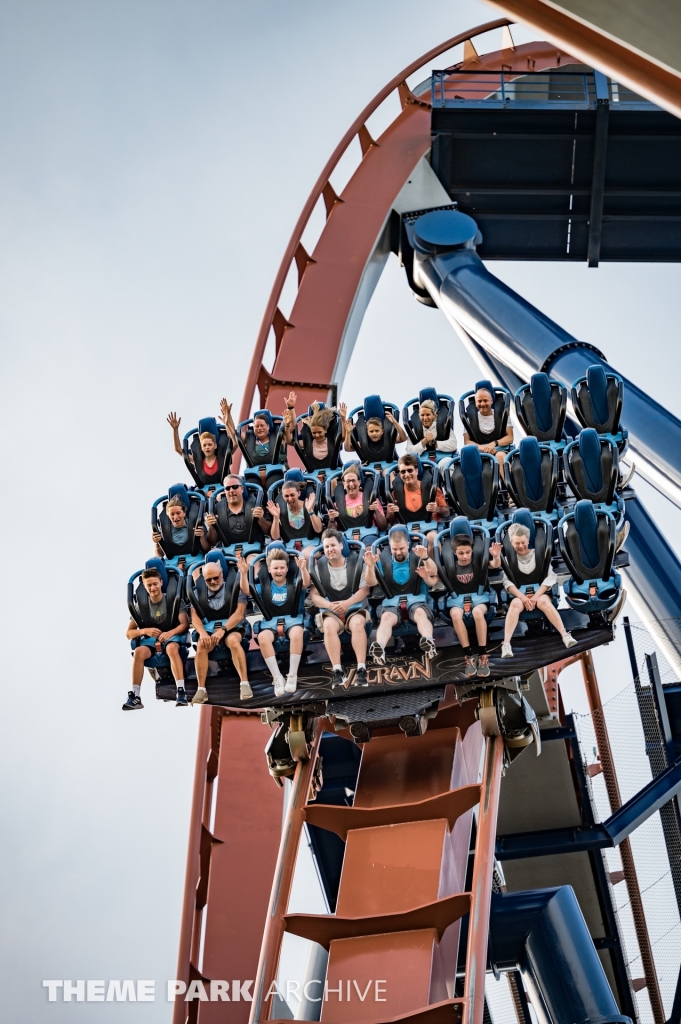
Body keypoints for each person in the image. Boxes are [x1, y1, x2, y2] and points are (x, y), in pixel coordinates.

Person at [363, 527, 439, 665]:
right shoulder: (384, 559)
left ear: (408, 545)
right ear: (390, 547)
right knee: (386, 618)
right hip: (391, 603)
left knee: (420, 613)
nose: (398, 552)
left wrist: (425, 557)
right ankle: (379, 648)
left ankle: (428, 641)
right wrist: (370, 566)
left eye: (402, 548)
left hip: (417, 600)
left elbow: (434, 572)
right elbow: (370, 582)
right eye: (394, 549)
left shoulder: (418, 554)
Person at [501, 522, 577, 657]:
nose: (521, 546)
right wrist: (523, 598)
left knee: (543, 601)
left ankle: (564, 634)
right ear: (511, 543)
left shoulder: (540, 554)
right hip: (520, 595)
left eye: (523, 542)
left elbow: (550, 577)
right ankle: (506, 644)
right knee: (515, 604)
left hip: (540, 593)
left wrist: (535, 597)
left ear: (528, 540)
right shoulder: (508, 559)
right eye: (517, 543)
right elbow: (507, 582)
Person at [240, 547, 308, 696]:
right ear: (269, 569)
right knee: (263, 637)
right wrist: (244, 573)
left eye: (282, 568)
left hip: (293, 619)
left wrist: (303, 569)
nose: (279, 571)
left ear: (287, 568)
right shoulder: (265, 586)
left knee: (297, 633)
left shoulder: (294, 582)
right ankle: (277, 677)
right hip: (270, 621)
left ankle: (292, 674)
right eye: (275, 568)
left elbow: (305, 583)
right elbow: (246, 590)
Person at [308, 529, 371, 689]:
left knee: (357, 623)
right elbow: (314, 596)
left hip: (354, 607)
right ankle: (337, 670)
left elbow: (365, 590)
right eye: (327, 546)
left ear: (341, 545)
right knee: (328, 626)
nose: (330, 549)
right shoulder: (319, 568)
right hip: (332, 610)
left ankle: (361, 668)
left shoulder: (356, 562)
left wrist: (348, 603)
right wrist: (330, 605)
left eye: (333, 545)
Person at [124, 567, 189, 710]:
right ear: (144, 586)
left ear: (161, 583)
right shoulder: (141, 606)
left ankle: (181, 691)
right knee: (138, 652)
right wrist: (145, 631)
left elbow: (184, 624)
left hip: (171, 637)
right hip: (151, 641)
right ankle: (135, 695)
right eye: (149, 585)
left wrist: (170, 633)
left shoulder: (172, 600)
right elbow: (129, 633)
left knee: (171, 648)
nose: (152, 588)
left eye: (155, 584)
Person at [189, 557, 253, 703]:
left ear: (222, 574)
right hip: (209, 628)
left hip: (231, 626)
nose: (213, 582)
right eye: (208, 580)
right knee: (201, 645)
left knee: (233, 640)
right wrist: (202, 633)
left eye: (215, 578)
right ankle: (201, 689)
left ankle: (244, 683)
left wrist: (223, 630)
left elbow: (239, 613)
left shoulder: (234, 587)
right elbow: (194, 617)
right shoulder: (198, 592)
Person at [444, 532, 502, 677]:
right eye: (461, 553)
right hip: (458, 600)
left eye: (468, 552)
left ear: (472, 550)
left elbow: (495, 565)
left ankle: (482, 654)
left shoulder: (478, 562)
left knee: (477, 612)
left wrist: (496, 556)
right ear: (454, 552)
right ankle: (469, 654)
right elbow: (433, 577)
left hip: (479, 598)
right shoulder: (450, 567)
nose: (465, 556)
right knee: (455, 614)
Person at [386, 453, 450, 553]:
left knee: (432, 538)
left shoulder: (431, 489)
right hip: (407, 530)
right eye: (403, 472)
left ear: (416, 470)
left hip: (430, 528)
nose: (407, 475)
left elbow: (447, 512)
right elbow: (390, 521)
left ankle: (431, 563)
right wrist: (392, 513)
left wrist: (437, 509)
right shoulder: (395, 493)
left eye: (410, 470)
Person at [204, 474, 269, 556]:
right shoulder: (217, 510)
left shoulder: (256, 505)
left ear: (242, 489)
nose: (231, 491)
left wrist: (261, 519)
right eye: (227, 488)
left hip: (254, 551)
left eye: (235, 487)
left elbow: (269, 532)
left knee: (252, 559)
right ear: (225, 491)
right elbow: (213, 542)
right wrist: (211, 527)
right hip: (228, 554)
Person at [326, 462, 388, 544]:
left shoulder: (372, 499)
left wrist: (376, 511)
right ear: (344, 483)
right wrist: (332, 519)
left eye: (353, 480)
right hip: (346, 538)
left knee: (369, 546)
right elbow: (332, 533)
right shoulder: (336, 504)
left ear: (359, 482)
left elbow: (383, 526)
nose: (351, 484)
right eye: (348, 481)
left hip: (369, 535)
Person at [220, 397, 289, 469]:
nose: (259, 428)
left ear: (268, 426)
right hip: (254, 472)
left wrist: (290, 409)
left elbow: (290, 431)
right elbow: (234, 435)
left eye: (262, 425)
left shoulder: (278, 434)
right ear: (253, 428)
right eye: (257, 426)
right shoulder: (248, 437)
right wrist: (228, 419)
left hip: (278, 470)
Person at [463, 384, 514, 479]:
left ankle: (508, 485)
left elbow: (510, 437)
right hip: (480, 452)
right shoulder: (470, 420)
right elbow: (467, 441)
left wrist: (494, 444)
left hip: (499, 449)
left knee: (500, 457)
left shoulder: (502, 415)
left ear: (491, 401)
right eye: (479, 401)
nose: (482, 404)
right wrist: (484, 448)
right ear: (475, 403)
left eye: (485, 400)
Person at [286, 393, 343, 471]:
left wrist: (343, 418)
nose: (317, 435)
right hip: (312, 473)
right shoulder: (307, 440)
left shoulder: (334, 437)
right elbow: (289, 441)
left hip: (334, 472)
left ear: (325, 429)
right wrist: (291, 409)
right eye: (314, 433)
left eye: (319, 432)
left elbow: (343, 437)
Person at [167, 412, 228, 485]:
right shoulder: (197, 460)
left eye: (210, 444)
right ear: (201, 448)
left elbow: (235, 442)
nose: (207, 447)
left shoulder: (224, 456)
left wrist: (228, 423)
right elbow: (178, 449)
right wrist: (175, 429)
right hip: (203, 490)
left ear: (215, 445)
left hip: (225, 488)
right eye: (204, 445)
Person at [267, 477, 323, 555]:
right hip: (289, 547)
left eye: (292, 495)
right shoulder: (280, 510)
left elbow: (319, 529)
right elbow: (275, 537)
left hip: (312, 545)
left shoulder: (309, 504)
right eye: (286, 496)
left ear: (299, 493)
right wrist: (276, 517)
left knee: (305, 555)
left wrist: (310, 510)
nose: (290, 499)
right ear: (283, 496)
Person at [152, 493, 210, 560]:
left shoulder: (196, 524)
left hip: (195, 559)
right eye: (172, 514)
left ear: (184, 513)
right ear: (168, 515)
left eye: (178, 513)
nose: (175, 517)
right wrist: (157, 543)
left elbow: (207, 549)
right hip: (172, 561)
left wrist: (202, 537)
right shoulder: (163, 530)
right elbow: (159, 555)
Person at [341, 404, 407, 461]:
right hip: (369, 469)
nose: (374, 433)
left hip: (389, 466)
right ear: (367, 432)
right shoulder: (362, 442)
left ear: (382, 431)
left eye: (377, 431)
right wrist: (348, 432)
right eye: (371, 431)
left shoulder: (389, 438)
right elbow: (347, 448)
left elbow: (403, 438)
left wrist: (395, 423)